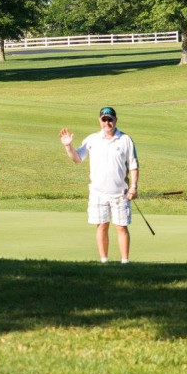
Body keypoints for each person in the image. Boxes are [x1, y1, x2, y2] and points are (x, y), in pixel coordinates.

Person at [59, 106, 139, 264]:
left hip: (120, 193)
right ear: (99, 120)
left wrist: (134, 187)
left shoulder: (125, 140)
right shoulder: (92, 140)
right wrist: (68, 146)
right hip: (98, 192)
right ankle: (104, 261)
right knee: (102, 226)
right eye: (104, 119)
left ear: (116, 120)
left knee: (121, 227)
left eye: (110, 119)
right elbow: (77, 158)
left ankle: (125, 262)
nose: (107, 123)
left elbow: (133, 165)